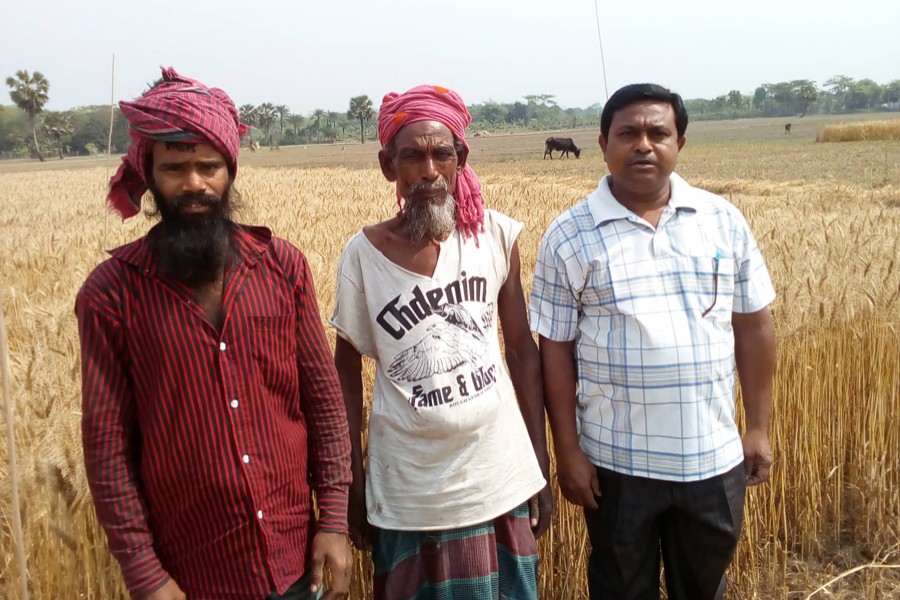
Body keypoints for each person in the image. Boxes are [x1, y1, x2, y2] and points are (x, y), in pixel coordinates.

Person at [76, 67, 352, 600]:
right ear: (150, 174)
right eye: (175, 168)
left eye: (209, 166)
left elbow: (322, 402)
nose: (194, 183)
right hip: (191, 576)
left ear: (230, 169)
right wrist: (145, 576)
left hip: (296, 562)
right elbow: (108, 449)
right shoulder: (111, 293)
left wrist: (334, 521)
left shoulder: (282, 266)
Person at [529, 83, 776, 600]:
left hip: (712, 457)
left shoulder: (722, 221)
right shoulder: (569, 235)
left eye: (657, 133)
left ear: (679, 143)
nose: (643, 144)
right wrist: (568, 452)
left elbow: (753, 323)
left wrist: (757, 427)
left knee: (704, 587)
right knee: (621, 589)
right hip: (617, 465)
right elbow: (554, 349)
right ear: (602, 144)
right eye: (628, 133)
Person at [330, 84, 552, 600]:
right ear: (389, 166)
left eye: (441, 154)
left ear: (460, 160)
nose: (428, 170)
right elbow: (346, 372)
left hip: (500, 479)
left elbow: (521, 350)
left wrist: (538, 460)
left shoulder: (495, 237)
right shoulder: (362, 255)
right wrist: (351, 482)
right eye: (413, 156)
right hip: (410, 490)